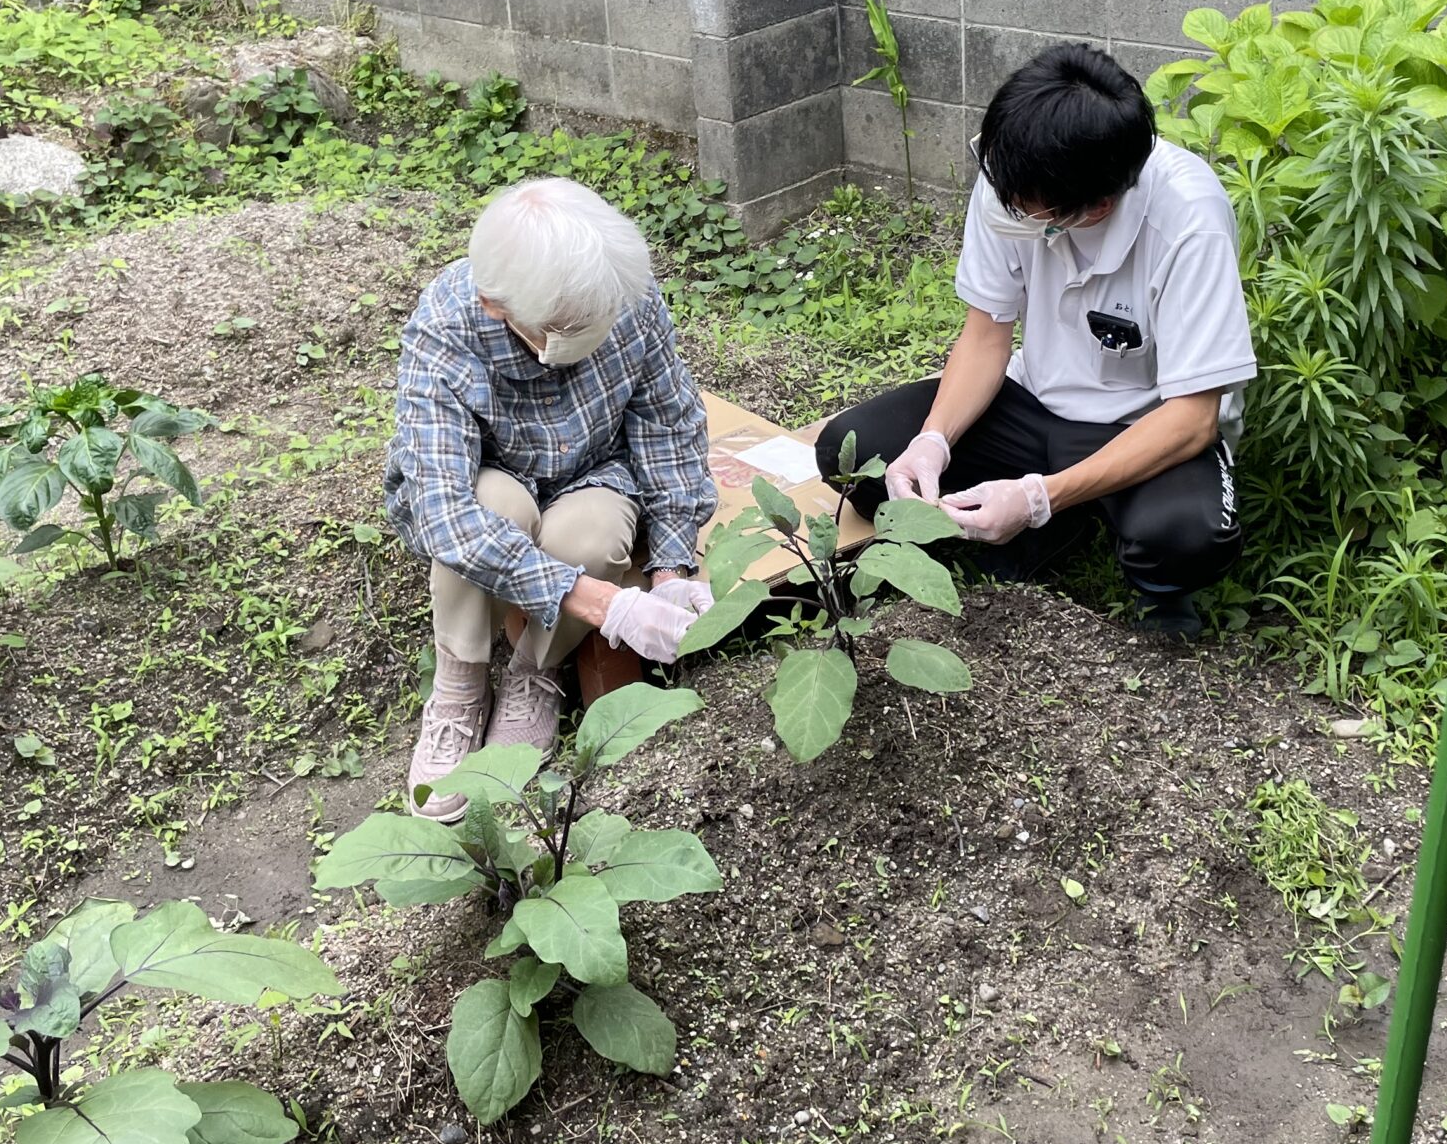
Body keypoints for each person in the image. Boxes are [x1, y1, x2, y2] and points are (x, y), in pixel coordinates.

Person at [817, 43, 1255, 635]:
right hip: (1036, 402)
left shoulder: (1187, 219)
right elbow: (986, 335)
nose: (1003, 203)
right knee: (854, 450)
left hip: (1145, 426)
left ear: (1095, 207)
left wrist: (1039, 498)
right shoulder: (1016, 178)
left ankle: (1140, 576)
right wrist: (933, 440)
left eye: (1026, 207)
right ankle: (1056, 524)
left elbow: (1194, 418)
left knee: (1185, 537)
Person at [385, 177, 716, 818]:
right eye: (568, 326)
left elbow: (668, 425)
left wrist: (672, 566)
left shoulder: (623, 294)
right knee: (493, 511)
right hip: (491, 478)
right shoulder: (447, 327)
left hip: (594, 471)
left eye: (600, 320)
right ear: (496, 305)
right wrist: (605, 604)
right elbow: (444, 510)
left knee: (590, 536)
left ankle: (533, 675)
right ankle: (458, 688)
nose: (593, 331)